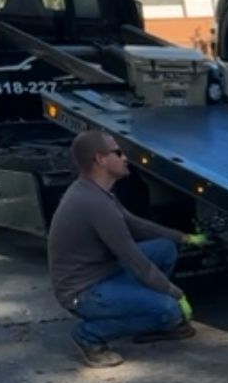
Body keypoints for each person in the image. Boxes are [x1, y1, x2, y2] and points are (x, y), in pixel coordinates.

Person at [47, 127, 207, 368]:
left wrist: (182, 237)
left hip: (103, 273)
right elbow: (133, 259)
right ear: (100, 159)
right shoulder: (93, 203)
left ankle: (153, 321)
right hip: (85, 292)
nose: (125, 158)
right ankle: (90, 336)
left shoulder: (96, 192)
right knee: (170, 309)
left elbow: (135, 224)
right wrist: (176, 294)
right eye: (118, 152)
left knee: (164, 248)